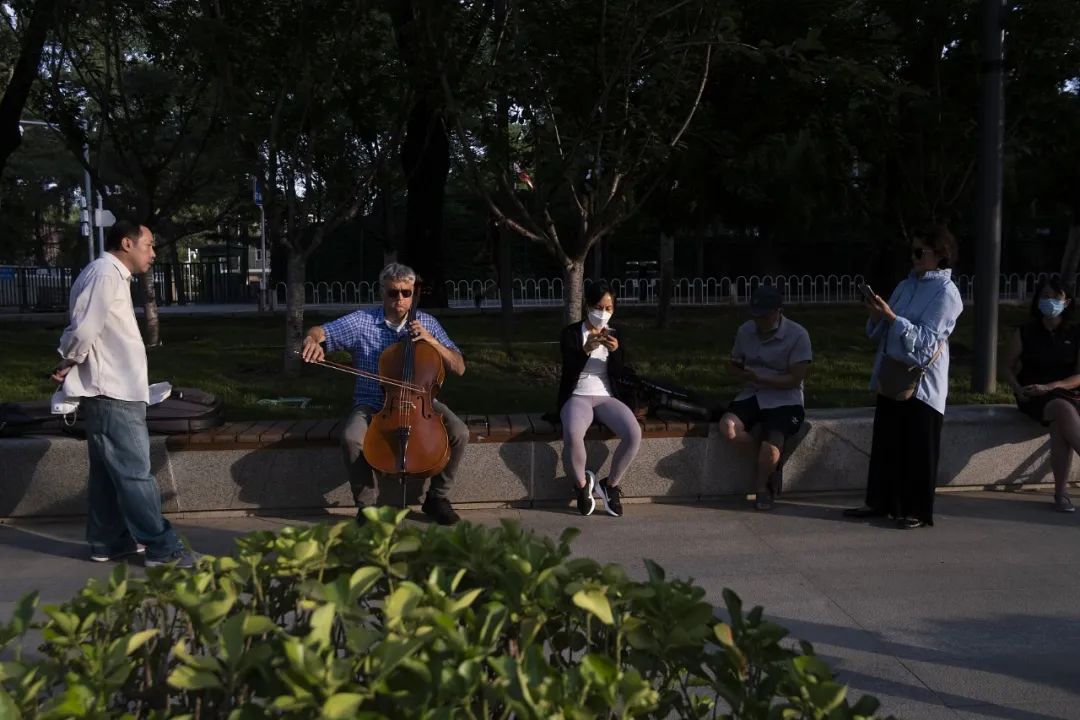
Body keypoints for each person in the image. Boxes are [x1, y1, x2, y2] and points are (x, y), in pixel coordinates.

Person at [51, 220, 194, 567]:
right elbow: (83, 328)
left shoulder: (110, 275)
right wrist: (68, 357)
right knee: (134, 473)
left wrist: (73, 361)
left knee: (107, 473)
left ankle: (108, 541)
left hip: (115, 389)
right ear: (127, 244)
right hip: (113, 392)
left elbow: (94, 331)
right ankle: (162, 547)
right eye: (149, 245)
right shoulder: (104, 274)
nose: (153, 253)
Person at [301, 263, 468, 525]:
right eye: (393, 293)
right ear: (382, 292)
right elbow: (320, 331)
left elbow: (458, 366)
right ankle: (366, 507)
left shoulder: (427, 323)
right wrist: (311, 342)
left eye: (406, 293)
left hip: (422, 403)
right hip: (372, 403)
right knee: (351, 438)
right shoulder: (362, 321)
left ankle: (437, 498)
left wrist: (432, 341)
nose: (400, 299)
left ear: (413, 294)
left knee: (460, 433)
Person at [844, 225, 964, 528]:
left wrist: (893, 319)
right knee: (887, 442)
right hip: (892, 376)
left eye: (920, 251)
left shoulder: (947, 294)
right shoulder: (906, 285)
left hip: (922, 382)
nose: (914, 257)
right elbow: (887, 328)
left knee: (918, 447)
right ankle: (881, 503)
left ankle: (917, 510)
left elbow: (927, 343)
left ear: (940, 255)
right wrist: (878, 317)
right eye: (912, 250)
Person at [718, 285, 812, 510]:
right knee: (728, 427)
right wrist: (736, 370)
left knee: (772, 444)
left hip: (785, 398)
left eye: (764, 316)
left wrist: (760, 376)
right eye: (755, 316)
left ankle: (762, 487)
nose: (758, 321)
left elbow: (795, 378)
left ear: (777, 311)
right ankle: (769, 461)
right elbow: (735, 362)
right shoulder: (746, 331)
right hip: (754, 392)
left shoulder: (797, 335)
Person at [556, 280, 642, 517]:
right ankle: (582, 486)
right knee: (573, 434)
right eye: (598, 307)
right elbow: (569, 368)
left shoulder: (616, 334)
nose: (603, 313)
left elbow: (621, 374)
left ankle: (610, 485)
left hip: (605, 396)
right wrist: (584, 350)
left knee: (633, 434)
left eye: (608, 308)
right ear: (587, 306)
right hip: (577, 396)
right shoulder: (572, 333)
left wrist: (615, 353)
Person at [1003, 277, 1080, 513]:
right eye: (1045, 296)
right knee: (1062, 409)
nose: (1049, 302)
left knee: (1060, 425)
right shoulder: (1025, 332)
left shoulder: (1075, 334)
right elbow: (1006, 366)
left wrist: (1053, 386)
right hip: (1032, 395)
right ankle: (1061, 494)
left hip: (1066, 392)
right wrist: (1018, 389)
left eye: (1056, 298)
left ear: (1066, 303)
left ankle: (1060, 494)